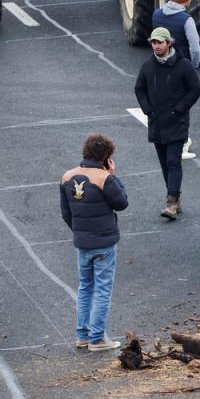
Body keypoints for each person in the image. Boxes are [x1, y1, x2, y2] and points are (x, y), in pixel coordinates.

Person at [60, 134, 128, 352]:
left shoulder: (67, 177)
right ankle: (97, 338)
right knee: (102, 289)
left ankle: (82, 335)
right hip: (104, 243)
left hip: (83, 242)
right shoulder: (104, 178)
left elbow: (65, 213)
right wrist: (113, 176)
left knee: (85, 287)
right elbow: (122, 203)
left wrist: (81, 232)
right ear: (106, 158)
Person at [134, 27, 200, 220]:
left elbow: (195, 90)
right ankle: (175, 197)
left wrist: (179, 109)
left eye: (160, 42)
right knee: (164, 163)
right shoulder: (147, 66)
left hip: (177, 122)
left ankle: (171, 202)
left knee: (173, 161)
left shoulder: (184, 65)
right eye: (153, 43)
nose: (156, 46)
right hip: (157, 123)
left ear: (168, 43)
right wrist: (148, 110)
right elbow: (139, 90)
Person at [153, 0, 200, 160]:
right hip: (180, 68)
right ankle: (180, 144)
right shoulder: (186, 20)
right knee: (182, 106)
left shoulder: (156, 14)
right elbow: (195, 47)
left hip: (160, 67)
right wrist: (193, 66)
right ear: (188, 0)